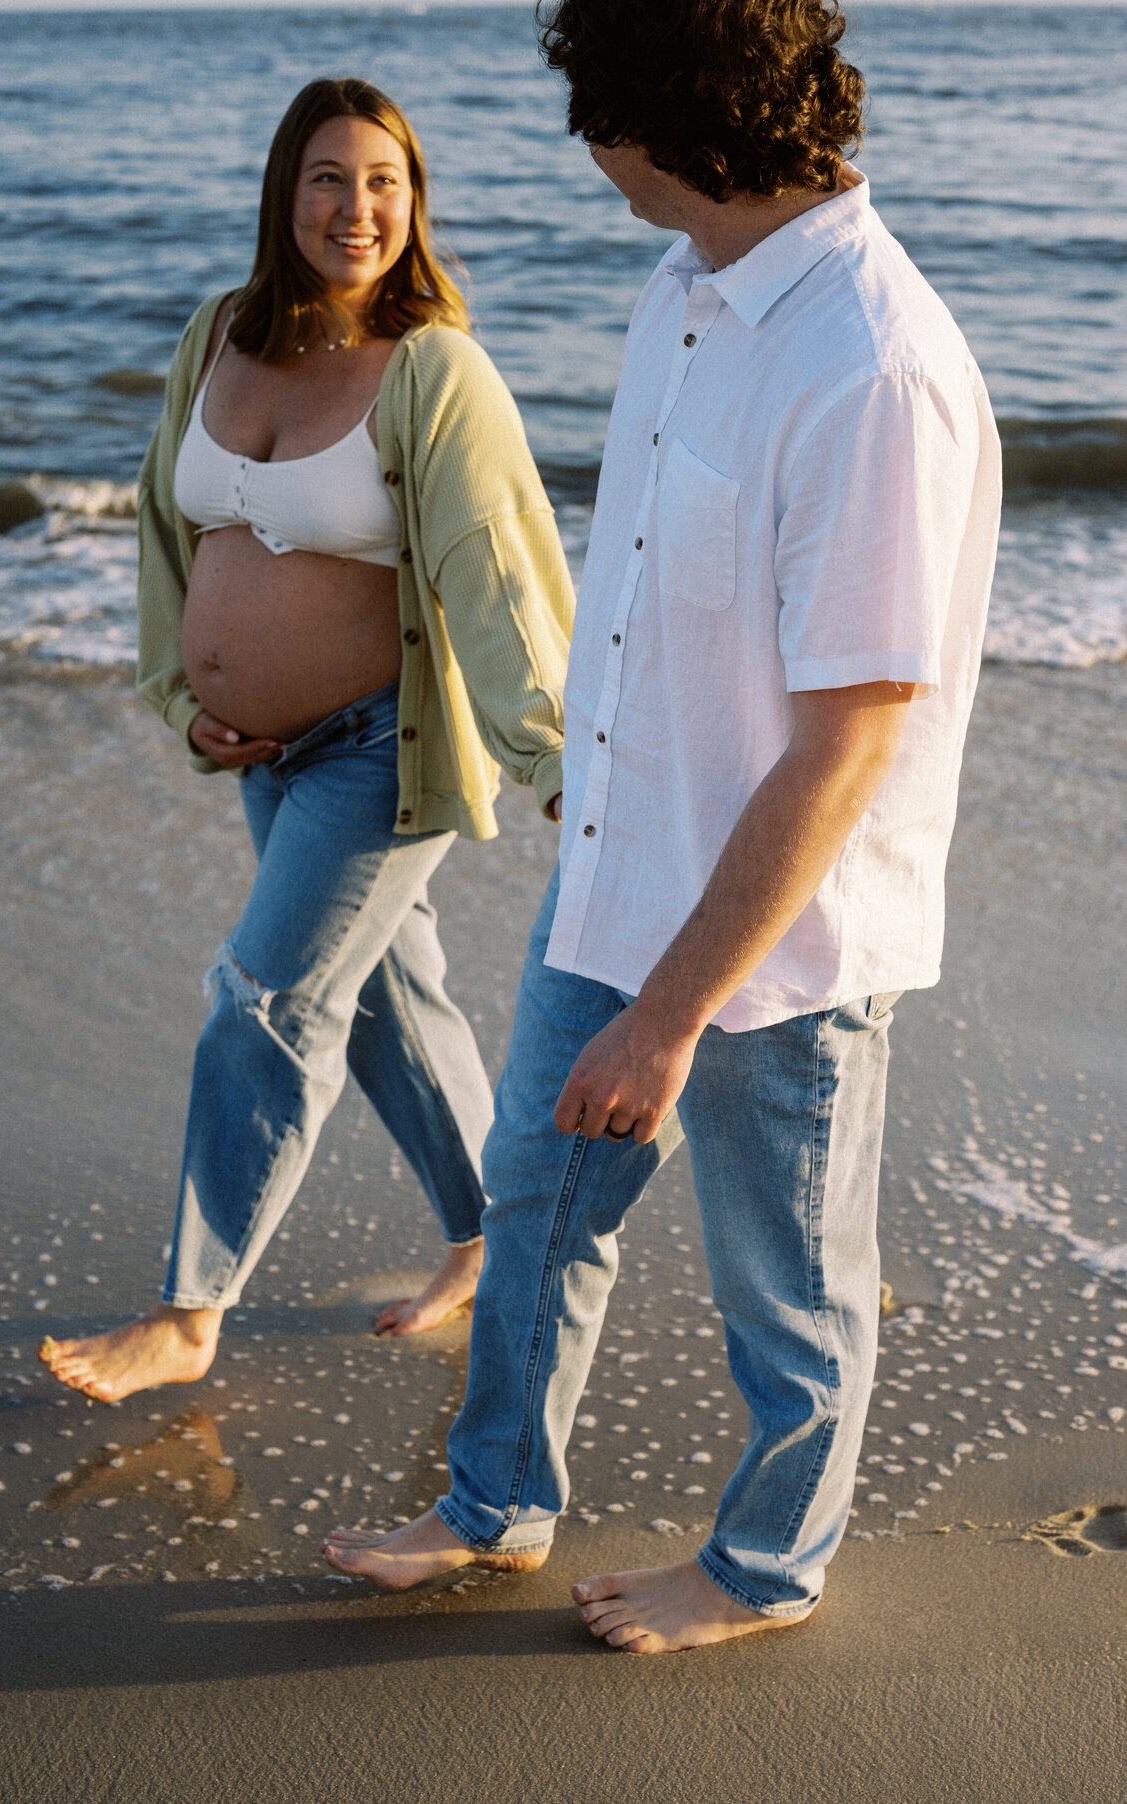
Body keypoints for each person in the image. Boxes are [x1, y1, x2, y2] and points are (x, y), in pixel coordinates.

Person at [321, 0, 1001, 1654]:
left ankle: (767, 1571)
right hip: (616, 876)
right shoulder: (685, 289)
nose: (588, 153)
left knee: (789, 1296)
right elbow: (635, 594)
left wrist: (673, 1012)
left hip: (776, 947)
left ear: (678, 126)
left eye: (601, 118)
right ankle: (494, 1507)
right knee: (536, 1214)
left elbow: (848, 744)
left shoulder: (873, 366)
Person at [38, 78, 573, 1403]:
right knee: (391, 1000)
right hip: (264, 756)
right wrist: (183, 696)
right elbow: (177, 534)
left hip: (382, 750)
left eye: (384, 180)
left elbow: (494, 569)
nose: (358, 207)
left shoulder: (431, 365)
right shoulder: (221, 334)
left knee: (269, 999)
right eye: (330, 177)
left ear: (416, 201)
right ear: (286, 192)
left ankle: (190, 1308)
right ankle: (491, 1234)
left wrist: (558, 755)